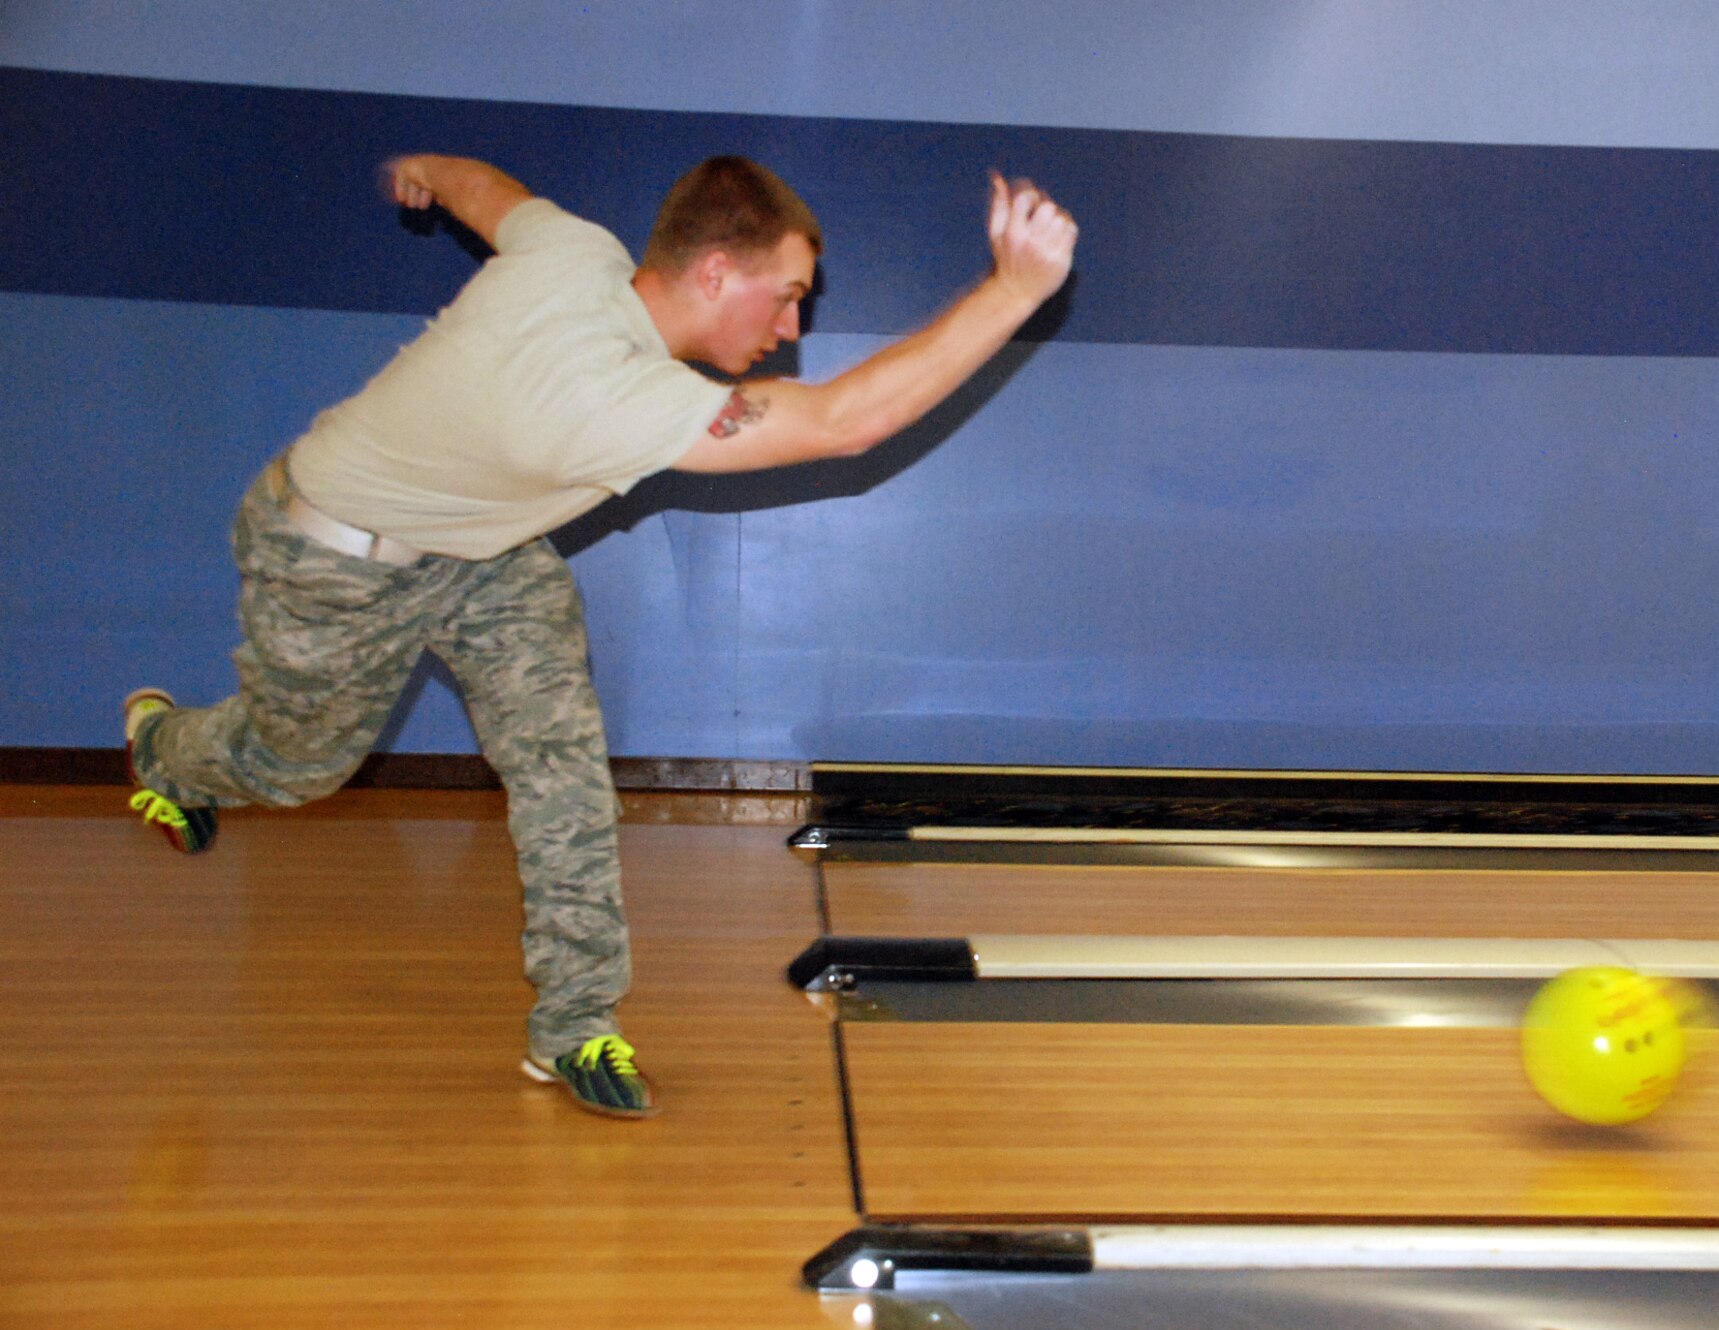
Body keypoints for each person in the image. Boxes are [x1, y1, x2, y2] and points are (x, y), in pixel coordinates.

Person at [121, 153, 1077, 1119]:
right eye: (786, 297)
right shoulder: (607, 398)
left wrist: (423, 170)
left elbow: (491, 196)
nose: (793, 327)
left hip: (478, 547)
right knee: (298, 767)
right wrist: (1015, 289)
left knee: (561, 763)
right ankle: (166, 749)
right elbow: (841, 422)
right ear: (713, 275)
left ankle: (575, 1023)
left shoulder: (579, 252)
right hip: (329, 556)